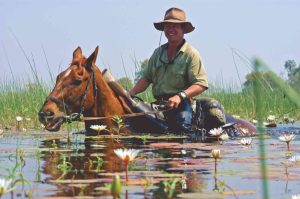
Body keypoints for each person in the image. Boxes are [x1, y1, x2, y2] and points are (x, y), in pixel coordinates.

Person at [129, 7, 208, 133]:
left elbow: (201, 84)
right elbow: (146, 78)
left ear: (183, 30)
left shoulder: (191, 54)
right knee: (133, 123)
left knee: (182, 130)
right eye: (167, 26)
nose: (170, 30)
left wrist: (180, 96)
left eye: (175, 26)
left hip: (182, 104)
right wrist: (130, 94)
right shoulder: (158, 53)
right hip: (159, 104)